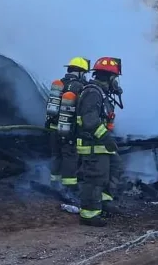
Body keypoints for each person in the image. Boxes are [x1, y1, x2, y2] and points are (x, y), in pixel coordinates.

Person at [75, 57, 124, 227]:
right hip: (93, 145)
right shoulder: (92, 93)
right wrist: (106, 138)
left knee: (115, 167)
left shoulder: (101, 93)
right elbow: (89, 121)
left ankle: (104, 203)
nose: (116, 83)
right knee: (95, 178)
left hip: (101, 144)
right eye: (115, 78)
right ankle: (89, 214)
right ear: (109, 77)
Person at [45, 57, 90, 204]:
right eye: (84, 73)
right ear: (79, 72)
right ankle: (69, 189)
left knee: (56, 155)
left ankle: (54, 183)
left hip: (53, 129)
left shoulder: (59, 84)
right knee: (70, 157)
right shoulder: (80, 87)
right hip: (69, 130)